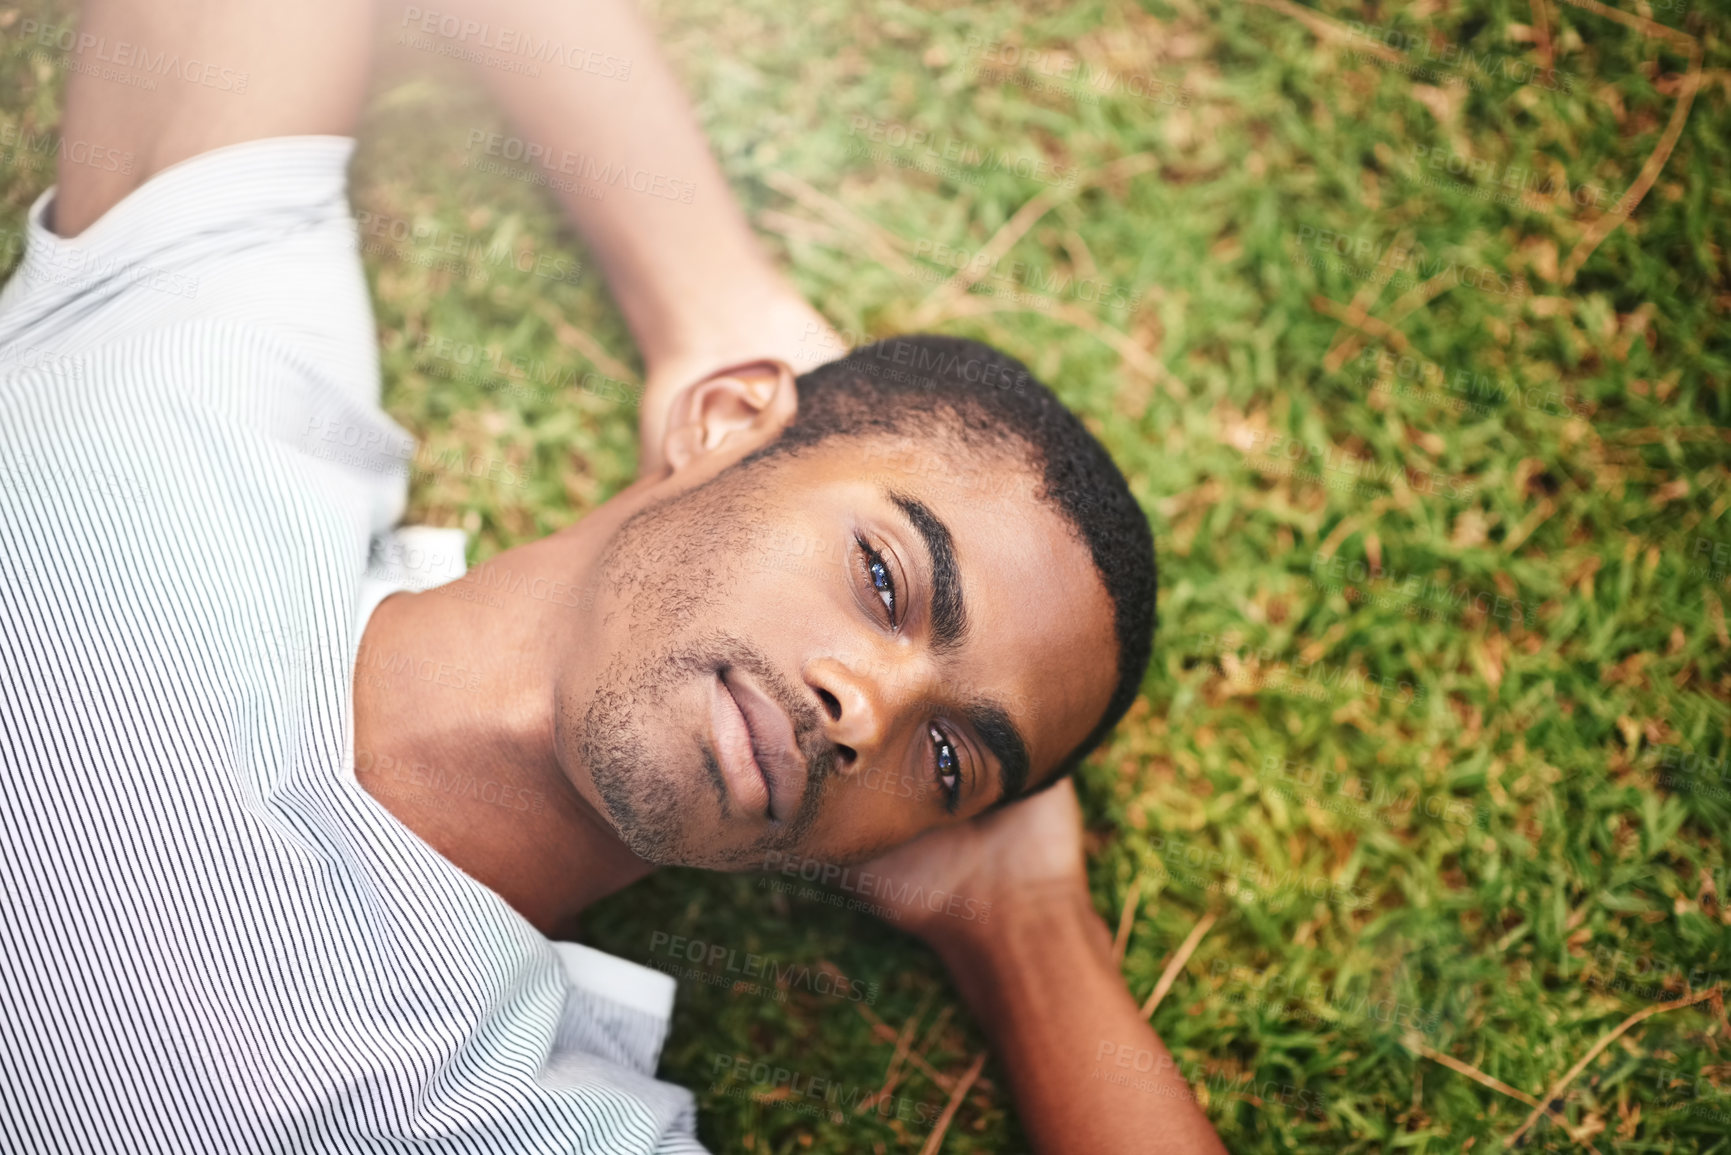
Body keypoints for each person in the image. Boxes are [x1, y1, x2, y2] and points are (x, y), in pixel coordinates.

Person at [0, 0, 1226, 1152]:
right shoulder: (206, 386)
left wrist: (1027, 933)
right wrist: (708, 293)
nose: (876, 711)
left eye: (950, 760)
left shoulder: (519, 1111)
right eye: (885, 579)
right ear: (728, 421)